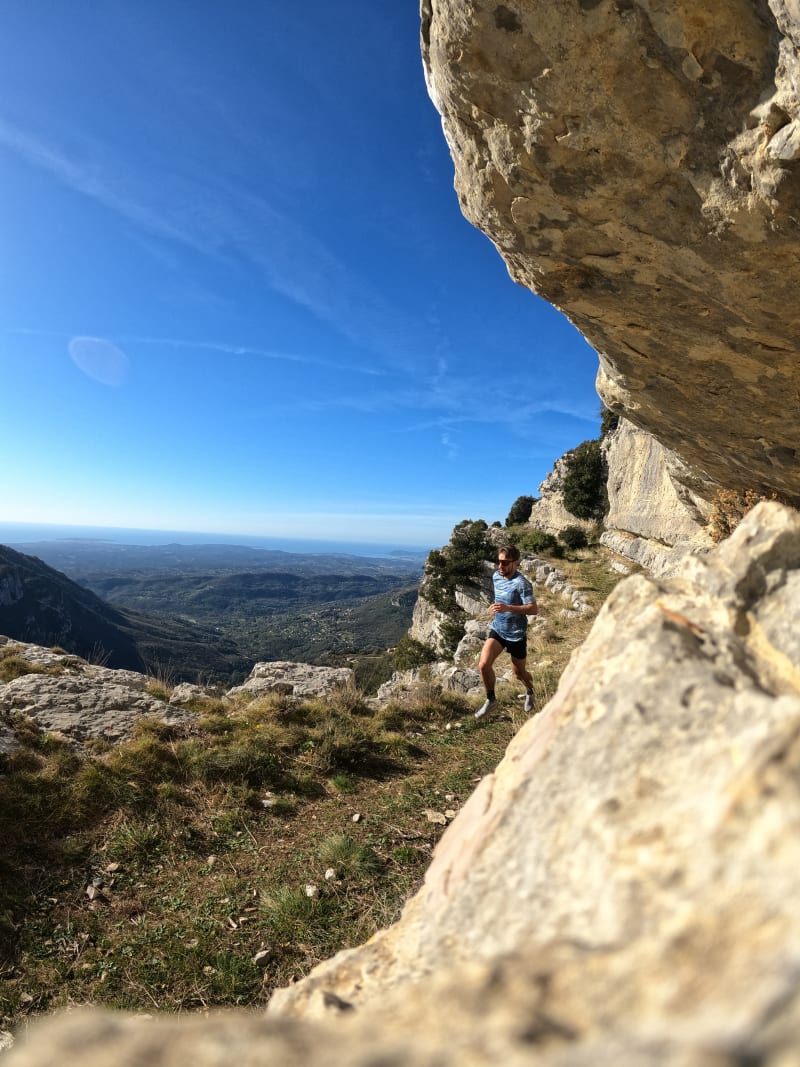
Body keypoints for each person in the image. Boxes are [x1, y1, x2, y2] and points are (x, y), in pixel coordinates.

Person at [475, 545, 538, 719]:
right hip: (498, 629)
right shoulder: (496, 576)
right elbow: (500, 598)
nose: (500, 567)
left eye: (505, 563)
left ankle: (530, 691)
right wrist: (495, 606)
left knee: (519, 673)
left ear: (515, 563)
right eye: (499, 562)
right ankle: (491, 700)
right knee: (483, 665)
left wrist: (508, 607)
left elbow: (533, 609)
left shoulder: (522, 583)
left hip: (516, 634)